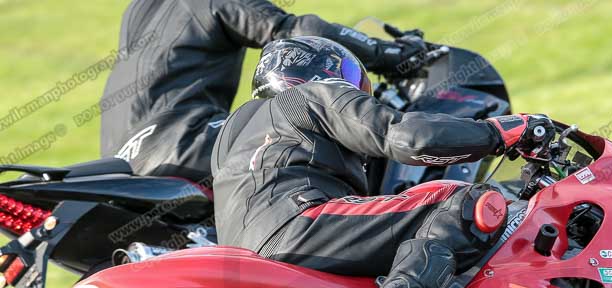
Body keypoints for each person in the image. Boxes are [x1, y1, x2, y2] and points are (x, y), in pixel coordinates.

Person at [212, 37, 554, 288]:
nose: (351, 84)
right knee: (459, 198)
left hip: (241, 258)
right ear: (315, 71)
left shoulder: (230, 133)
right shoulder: (310, 95)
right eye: (344, 72)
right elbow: (408, 137)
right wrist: (498, 132)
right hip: (301, 223)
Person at [100, 0, 427, 182]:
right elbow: (294, 31)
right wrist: (393, 55)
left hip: (123, 158)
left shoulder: (140, 7)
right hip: (186, 141)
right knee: (322, 131)